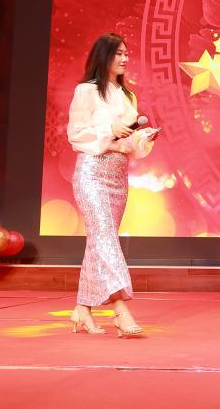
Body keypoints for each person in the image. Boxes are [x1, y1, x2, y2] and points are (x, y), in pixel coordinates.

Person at [66, 33, 159, 338]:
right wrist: (109, 129)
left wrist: (142, 138)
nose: (124, 59)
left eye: (126, 53)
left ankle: (82, 309)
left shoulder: (127, 96)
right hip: (93, 173)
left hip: (118, 176)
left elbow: (128, 145)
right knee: (105, 239)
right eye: (118, 53)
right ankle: (120, 310)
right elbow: (76, 133)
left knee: (99, 241)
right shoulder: (86, 91)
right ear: (103, 56)